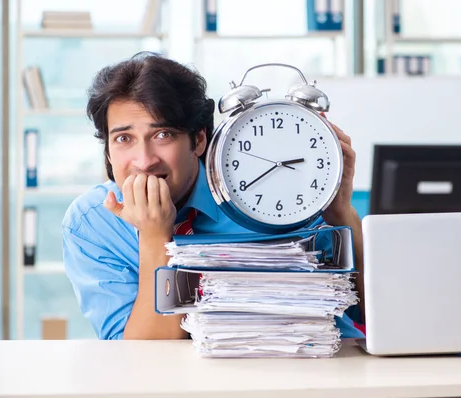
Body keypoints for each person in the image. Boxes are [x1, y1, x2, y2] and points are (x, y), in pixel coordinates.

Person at [62, 52, 366, 340]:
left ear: (198, 140)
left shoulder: (272, 198)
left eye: (162, 135)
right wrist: (156, 238)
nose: (144, 160)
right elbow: (141, 357)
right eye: (124, 138)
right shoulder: (91, 222)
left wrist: (341, 214)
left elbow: (371, 311)